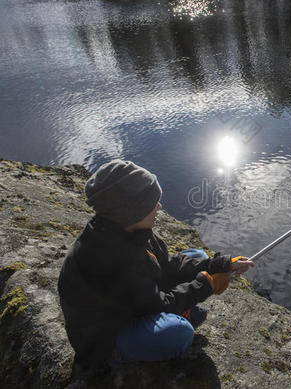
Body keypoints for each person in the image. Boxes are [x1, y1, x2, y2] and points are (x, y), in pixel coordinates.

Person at [57, 159, 253, 371]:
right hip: (106, 337)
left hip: (131, 303)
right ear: (132, 211)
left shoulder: (128, 229)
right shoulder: (109, 258)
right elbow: (158, 305)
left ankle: (184, 309)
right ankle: (116, 355)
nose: (159, 206)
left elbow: (169, 265)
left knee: (197, 255)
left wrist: (219, 264)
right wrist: (207, 284)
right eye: (152, 203)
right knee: (178, 333)